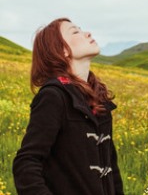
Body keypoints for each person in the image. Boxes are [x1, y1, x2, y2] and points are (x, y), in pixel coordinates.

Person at [13, 17, 124, 195]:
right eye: (75, 31)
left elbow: (111, 168)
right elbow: (26, 163)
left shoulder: (99, 99)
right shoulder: (54, 96)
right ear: (63, 50)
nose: (87, 33)